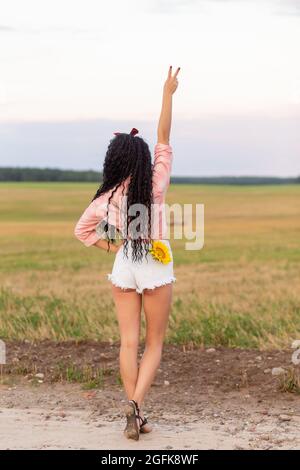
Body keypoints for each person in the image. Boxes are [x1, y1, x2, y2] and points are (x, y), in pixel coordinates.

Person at [74, 65, 180, 440]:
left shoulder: (108, 195)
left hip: (124, 265)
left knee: (128, 343)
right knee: (154, 344)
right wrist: (168, 94)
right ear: (142, 158)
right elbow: (164, 134)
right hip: (154, 263)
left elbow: (81, 230)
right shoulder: (157, 181)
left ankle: (136, 413)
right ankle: (135, 409)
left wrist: (111, 245)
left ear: (114, 161)